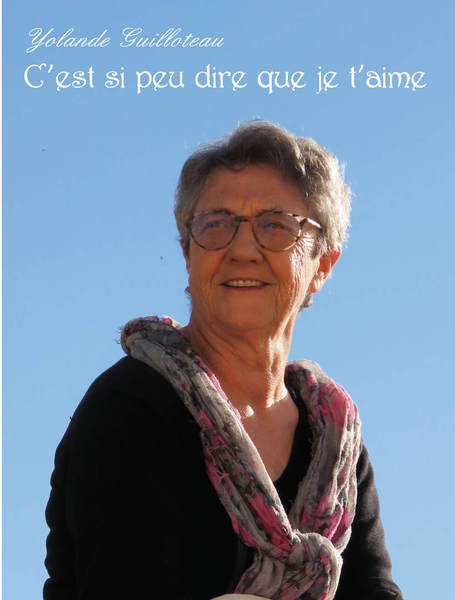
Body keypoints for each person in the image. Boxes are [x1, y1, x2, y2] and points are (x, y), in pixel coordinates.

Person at [43, 121, 403, 600]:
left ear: (323, 264)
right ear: (187, 254)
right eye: (216, 225)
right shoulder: (132, 405)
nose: (242, 249)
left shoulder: (335, 440)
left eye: (275, 225)